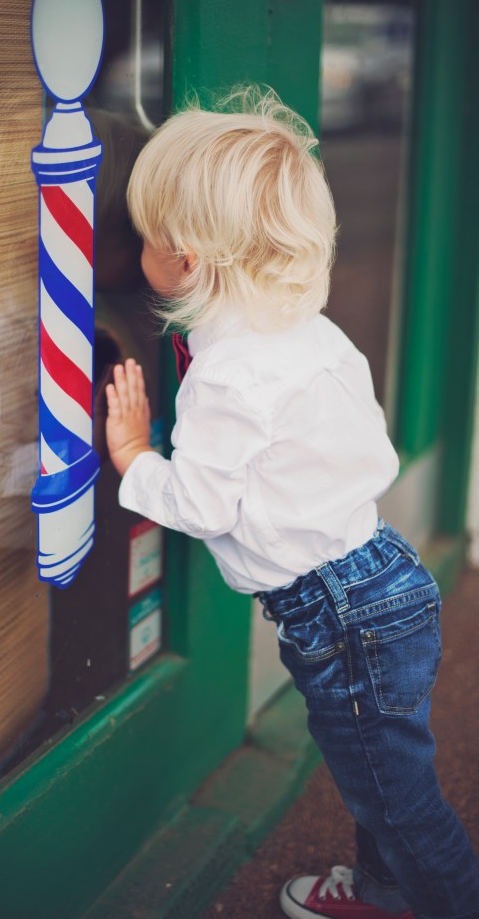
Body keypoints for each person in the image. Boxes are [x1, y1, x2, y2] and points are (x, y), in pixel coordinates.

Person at [104, 89, 479, 919]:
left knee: (398, 798)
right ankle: (385, 893)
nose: (133, 249)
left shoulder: (231, 374)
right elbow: (367, 443)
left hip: (342, 615)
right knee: (383, 777)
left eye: (144, 237)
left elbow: (202, 503)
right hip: (384, 575)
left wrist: (134, 454)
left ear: (189, 260)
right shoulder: (307, 331)